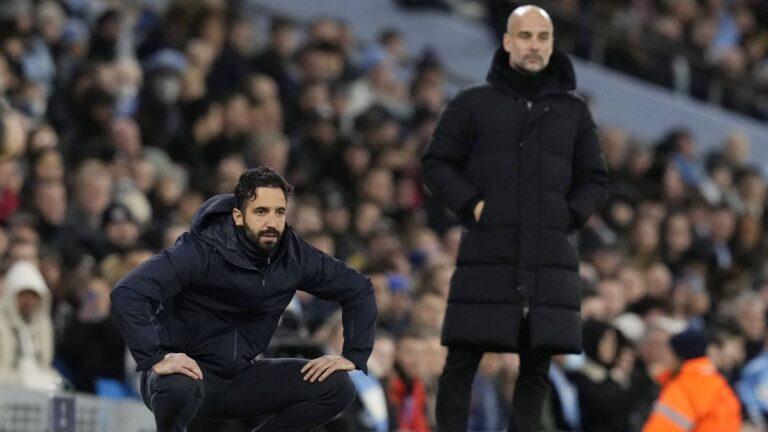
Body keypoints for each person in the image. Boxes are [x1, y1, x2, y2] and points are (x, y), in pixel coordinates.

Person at [420, 5, 608, 431]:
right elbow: (436, 164)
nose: (534, 46)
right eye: (525, 36)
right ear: (507, 41)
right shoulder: (472, 103)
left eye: (543, 37)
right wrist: (474, 205)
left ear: (552, 45)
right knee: (462, 358)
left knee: (536, 364)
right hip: (489, 249)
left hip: (549, 256)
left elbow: (595, 178)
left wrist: (568, 215)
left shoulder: (574, 111)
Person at [110, 166, 377, 432]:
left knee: (338, 386)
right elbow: (128, 292)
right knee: (177, 385)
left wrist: (353, 354)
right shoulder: (199, 249)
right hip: (184, 375)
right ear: (238, 216)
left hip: (241, 377)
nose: (272, 222)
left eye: (279, 212)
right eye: (261, 211)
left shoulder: (294, 256)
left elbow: (358, 289)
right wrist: (155, 358)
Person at [643, 329, 741, 431]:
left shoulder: (682, 388)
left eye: (669, 353)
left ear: (679, 356)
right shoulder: (719, 384)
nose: (664, 359)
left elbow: (662, 428)